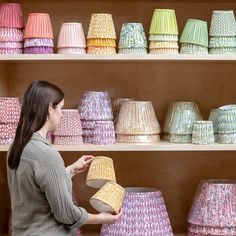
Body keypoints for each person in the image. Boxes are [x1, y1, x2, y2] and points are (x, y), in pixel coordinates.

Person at [7, 80, 122, 236]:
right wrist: (101, 218)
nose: (62, 113)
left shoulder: (17, 145)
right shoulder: (47, 154)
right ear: (49, 109)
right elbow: (67, 215)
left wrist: (70, 170)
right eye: (60, 108)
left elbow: (37, 187)